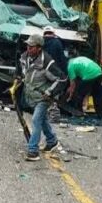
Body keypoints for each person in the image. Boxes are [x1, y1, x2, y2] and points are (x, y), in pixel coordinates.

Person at [18, 33, 65, 161]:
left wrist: (50, 92)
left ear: (39, 48)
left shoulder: (47, 62)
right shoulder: (24, 58)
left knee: (36, 120)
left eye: (31, 47)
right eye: (28, 46)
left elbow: (62, 79)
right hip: (31, 97)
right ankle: (52, 141)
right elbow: (22, 73)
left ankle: (33, 151)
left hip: (43, 99)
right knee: (42, 120)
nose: (28, 49)